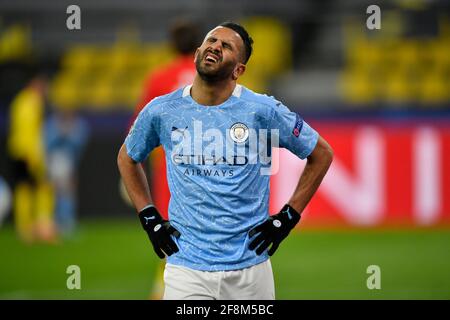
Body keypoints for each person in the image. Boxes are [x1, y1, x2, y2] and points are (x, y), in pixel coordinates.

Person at [117, 22, 333, 300]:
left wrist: (287, 217)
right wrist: (149, 217)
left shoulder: (262, 110)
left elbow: (321, 153)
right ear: (197, 53)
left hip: (251, 270)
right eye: (211, 40)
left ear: (238, 70)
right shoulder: (162, 110)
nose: (215, 46)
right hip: (187, 270)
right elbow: (127, 156)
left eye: (227, 46)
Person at [128, 19, 200, 299]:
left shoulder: (159, 78)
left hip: (170, 166)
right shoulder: (210, 72)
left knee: (172, 227)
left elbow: (138, 131)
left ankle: (167, 288)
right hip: (212, 162)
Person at [7, 70, 56, 243]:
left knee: (24, 188)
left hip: (18, 150)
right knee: (38, 188)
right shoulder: (31, 102)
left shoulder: (20, 101)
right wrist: (33, 156)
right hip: (28, 153)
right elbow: (29, 131)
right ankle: (39, 227)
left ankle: (27, 227)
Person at [44, 106, 89, 237]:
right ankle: (55, 223)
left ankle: (66, 223)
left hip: (66, 162)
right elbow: (47, 145)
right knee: (55, 193)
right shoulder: (52, 125)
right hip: (55, 161)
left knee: (67, 193)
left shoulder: (75, 126)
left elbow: (78, 144)